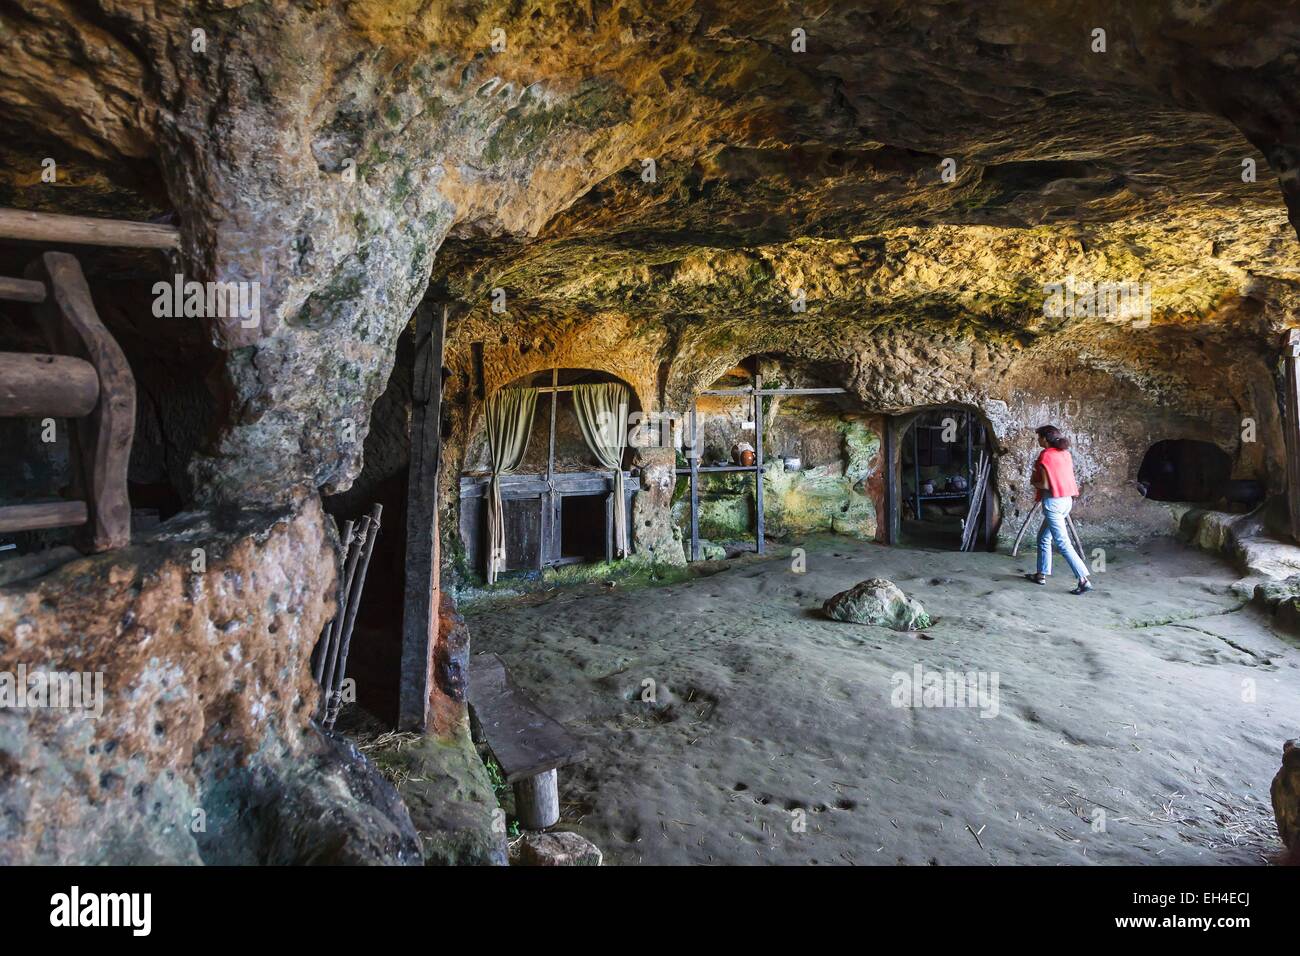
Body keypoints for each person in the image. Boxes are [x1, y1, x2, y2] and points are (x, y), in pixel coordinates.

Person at [1025, 424, 1093, 594]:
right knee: (1043, 538)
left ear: (1045, 439)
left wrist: (1033, 482)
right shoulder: (1065, 454)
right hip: (1066, 501)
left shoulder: (1045, 455)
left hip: (1053, 503)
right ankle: (1041, 574)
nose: (1038, 440)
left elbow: (1046, 484)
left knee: (1063, 543)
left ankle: (1083, 580)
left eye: (1039, 437)